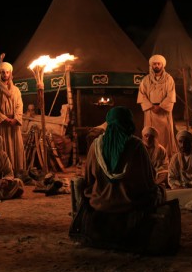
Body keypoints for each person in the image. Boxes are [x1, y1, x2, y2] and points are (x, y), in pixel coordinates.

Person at [71, 106, 172, 253]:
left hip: (100, 203)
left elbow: (88, 179)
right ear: (129, 122)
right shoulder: (137, 146)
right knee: (159, 190)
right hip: (130, 204)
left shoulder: (95, 146)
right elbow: (148, 181)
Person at [0, 61, 26, 176]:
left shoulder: (16, 90)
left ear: (10, 74)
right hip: (2, 124)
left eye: (7, 72)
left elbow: (19, 105)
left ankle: (17, 170)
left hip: (14, 124)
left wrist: (16, 119)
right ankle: (4, 171)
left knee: (16, 147)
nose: (5, 74)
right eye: (3, 72)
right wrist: (5, 119)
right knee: (2, 146)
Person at [137, 54, 178, 157]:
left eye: (158, 64)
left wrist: (160, 106)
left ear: (162, 65)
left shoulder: (169, 79)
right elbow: (142, 95)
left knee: (164, 135)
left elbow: (171, 95)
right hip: (150, 111)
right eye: (154, 64)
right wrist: (151, 106)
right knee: (150, 134)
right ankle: (150, 155)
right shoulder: (146, 80)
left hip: (163, 111)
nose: (156, 66)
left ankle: (165, 155)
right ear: (151, 65)